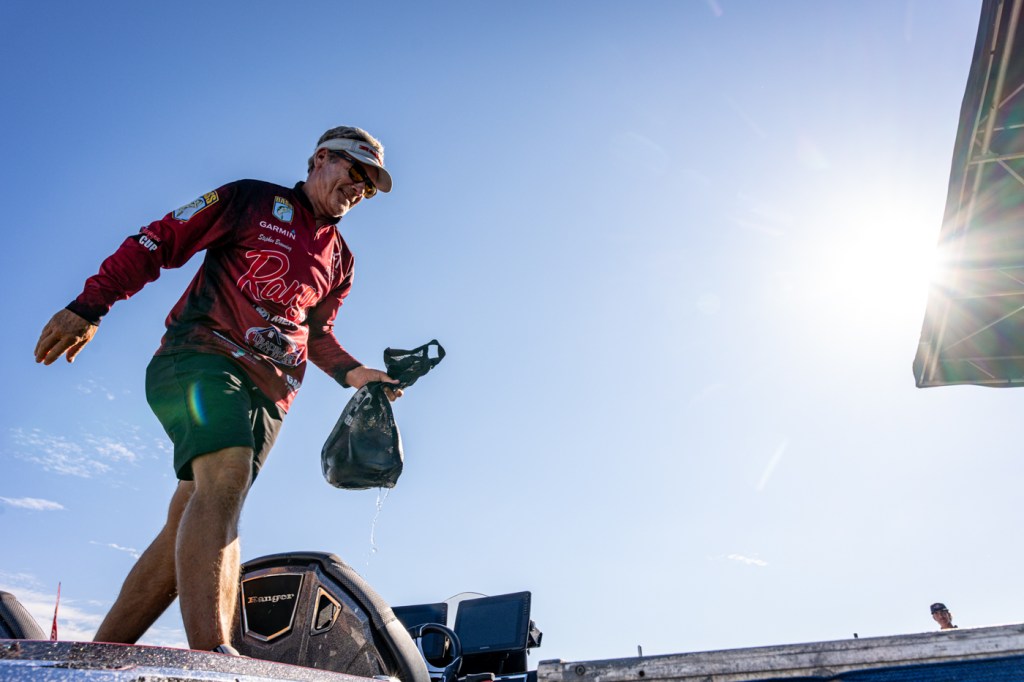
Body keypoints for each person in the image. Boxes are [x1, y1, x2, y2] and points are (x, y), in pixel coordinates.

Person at [34, 126, 401, 654]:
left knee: (192, 515)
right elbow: (159, 239)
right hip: (200, 357)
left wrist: (356, 373)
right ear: (321, 157)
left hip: (271, 395)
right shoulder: (250, 199)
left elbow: (317, 333)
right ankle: (214, 655)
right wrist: (89, 306)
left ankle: (94, 658)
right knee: (227, 474)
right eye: (356, 171)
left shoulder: (341, 260)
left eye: (369, 185)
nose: (359, 188)